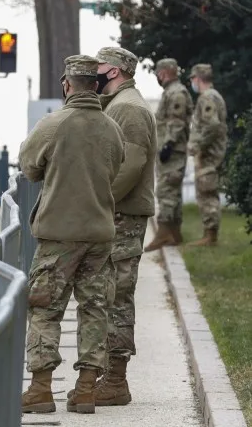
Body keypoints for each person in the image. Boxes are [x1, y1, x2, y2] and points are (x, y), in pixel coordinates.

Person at [19, 55, 125, 415]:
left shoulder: (53, 124)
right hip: (100, 233)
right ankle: (85, 391)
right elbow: (116, 168)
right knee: (95, 309)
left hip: (58, 236)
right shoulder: (112, 128)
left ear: (66, 85)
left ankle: (41, 389)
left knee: (45, 309)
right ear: (95, 85)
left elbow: (30, 168)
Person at [74, 47, 156, 407]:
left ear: (117, 70)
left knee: (117, 296)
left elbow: (131, 164)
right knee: (107, 293)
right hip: (115, 212)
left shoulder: (130, 108)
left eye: (100, 66)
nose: (95, 71)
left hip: (121, 214)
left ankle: (117, 379)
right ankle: (108, 375)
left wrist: (99, 200)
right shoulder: (119, 104)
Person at [145, 58, 194, 251]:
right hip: (170, 149)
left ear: (164, 72)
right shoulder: (171, 92)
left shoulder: (176, 93)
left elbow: (176, 121)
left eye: (158, 73)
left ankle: (163, 234)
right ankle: (174, 234)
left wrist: (168, 145)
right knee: (172, 192)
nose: (158, 77)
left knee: (166, 191)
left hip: (172, 150)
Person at [187, 63, 227, 246]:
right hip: (212, 153)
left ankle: (210, 237)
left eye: (192, 78)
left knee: (206, 194)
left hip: (208, 155)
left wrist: (197, 145)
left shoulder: (207, 98)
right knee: (208, 192)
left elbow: (212, 125)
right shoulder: (215, 96)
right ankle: (209, 234)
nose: (191, 82)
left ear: (198, 78)